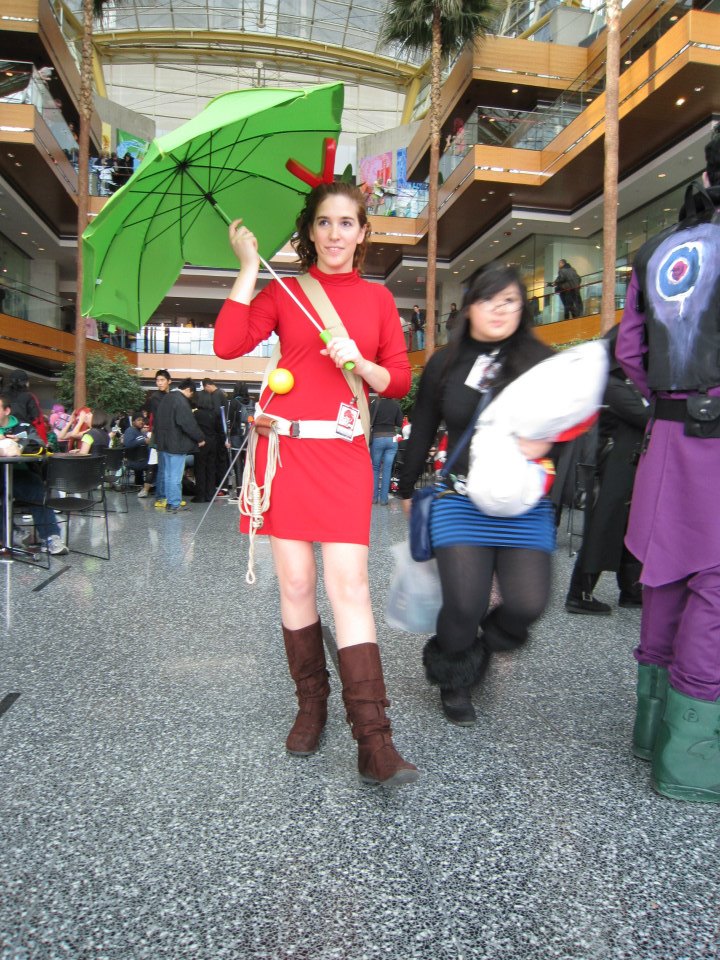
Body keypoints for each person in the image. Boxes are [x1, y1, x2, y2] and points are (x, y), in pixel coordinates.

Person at [213, 178, 418, 787]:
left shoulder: (378, 300)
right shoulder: (288, 293)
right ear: (310, 232)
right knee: (297, 583)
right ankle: (311, 705)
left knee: (348, 586)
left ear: (362, 232)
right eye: (324, 223)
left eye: (346, 223)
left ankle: (374, 740)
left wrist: (360, 361)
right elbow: (227, 345)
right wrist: (250, 266)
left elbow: (399, 381)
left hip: (345, 454)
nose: (335, 234)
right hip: (288, 455)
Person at [397, 263, 556, 726]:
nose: (498, 309)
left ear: (522, 307)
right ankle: (455, 677)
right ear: (469, 308)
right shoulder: (447, 362)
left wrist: (550, 445)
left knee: (528, 604)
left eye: (509, 300)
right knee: (464, 604)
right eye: (487, 300)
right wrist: (407, 488)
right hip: (460, 499)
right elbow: (424, 425)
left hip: (524, 502)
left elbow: (570, 422)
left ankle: (480, 646)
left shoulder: (541, 361)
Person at [615, 122, 720, 802]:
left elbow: (628, 353)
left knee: (665, 581)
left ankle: (651, 732)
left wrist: (671, 399)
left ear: (707, 178)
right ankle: (692, 764)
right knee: (716, 595)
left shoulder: (657, 253)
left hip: (668, 442)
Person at [564, 326, 649, 615]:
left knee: (626, 526)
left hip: (622, 464)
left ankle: (631, 589)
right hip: (611, 467)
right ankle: (579, 594)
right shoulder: (612, 384)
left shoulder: (618, 381)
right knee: (603, 528)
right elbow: (646, 417)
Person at [0, 394, 68, 555]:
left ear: (6, 410)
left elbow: (39, 443)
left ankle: (50, 537)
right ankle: (12, 533)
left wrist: (20, 443)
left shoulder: (22, 427)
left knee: (37, 489)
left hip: (20, 474)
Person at [153, 378, 205, 513]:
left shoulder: (166, 398)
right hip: (176, 444)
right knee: (175, 476)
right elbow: (187, 423)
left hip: (164, 444)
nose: (190, 397)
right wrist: (199, 437)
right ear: (188, 390)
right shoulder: (180, 401)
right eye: (191, 394)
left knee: (168, 474)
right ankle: (174, 503)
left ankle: (169, 501)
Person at [146, 369, 172, 509]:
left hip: (169, 436)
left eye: (162, 380)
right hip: (161, 436)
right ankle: (160, 496)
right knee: (162, 467)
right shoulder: (156, 397)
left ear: (169, 381)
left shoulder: (171, 395)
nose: (159, 383)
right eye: (157, 380)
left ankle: (167, 496)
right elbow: (161, 418)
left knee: (167, 467)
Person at [370, 396, 403, 505]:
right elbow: (399, 422)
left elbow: (370, 420)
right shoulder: (396, 404)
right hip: (391, 439)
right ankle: (384, 500)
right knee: (387, 469)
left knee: (375, 468)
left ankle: (374, 498)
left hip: (378, 438)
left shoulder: (375, 403)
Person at [6, 369, 47, 444]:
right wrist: (43, 442)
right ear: (26, 383)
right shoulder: (29, 396)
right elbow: (38, 420)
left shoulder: (3, 396)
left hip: (4, 434)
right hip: (23, 435)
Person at [123, 411, 152, 495]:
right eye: (138, 420)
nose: (141, 422)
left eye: (142, 420)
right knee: (154, 465)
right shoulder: (130, 431)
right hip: (134, 461)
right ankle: (150, 486)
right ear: (133, 422)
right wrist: (143, 441)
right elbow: (128, 444)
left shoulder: (140, 432)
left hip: (140, 459)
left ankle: (141, 483)